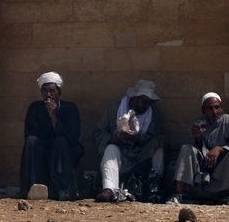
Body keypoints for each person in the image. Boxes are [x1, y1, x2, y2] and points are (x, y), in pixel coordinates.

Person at [92, 79, 165, 202]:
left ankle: (154, 186)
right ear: (135, 98)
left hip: (140, 155)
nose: (146, 105)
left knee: (161, 142)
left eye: (149, 103)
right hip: (121, 155)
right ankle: (109, 189)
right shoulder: (113, 111)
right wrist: (113, 139)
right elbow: (98, 133)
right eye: (144, 101)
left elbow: (153, 137)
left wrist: (137, 138)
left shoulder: (151, 114)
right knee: (110, 149)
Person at [168, 92, 229, 205]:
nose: (214, 111)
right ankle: (178, 194)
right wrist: (197, 138)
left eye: (217, 107)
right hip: (203, 166)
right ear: (203, 110)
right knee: (186, 148)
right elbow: (195, 150)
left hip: (221, 167)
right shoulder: (199, 122)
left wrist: (219, 149)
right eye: (210, 108)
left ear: (221, 108)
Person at [19, 71, 84, 201]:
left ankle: (60, 189)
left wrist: (54, 117)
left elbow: (72, 137)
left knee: (60, 142)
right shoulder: (35, 108)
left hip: (65, 150)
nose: (49, 95)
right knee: (31, 141)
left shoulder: (70, 108)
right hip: (43, 149)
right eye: (45, 91)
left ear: (59, 92)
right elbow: (31, 133)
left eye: (52, 91)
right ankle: (31, 188)